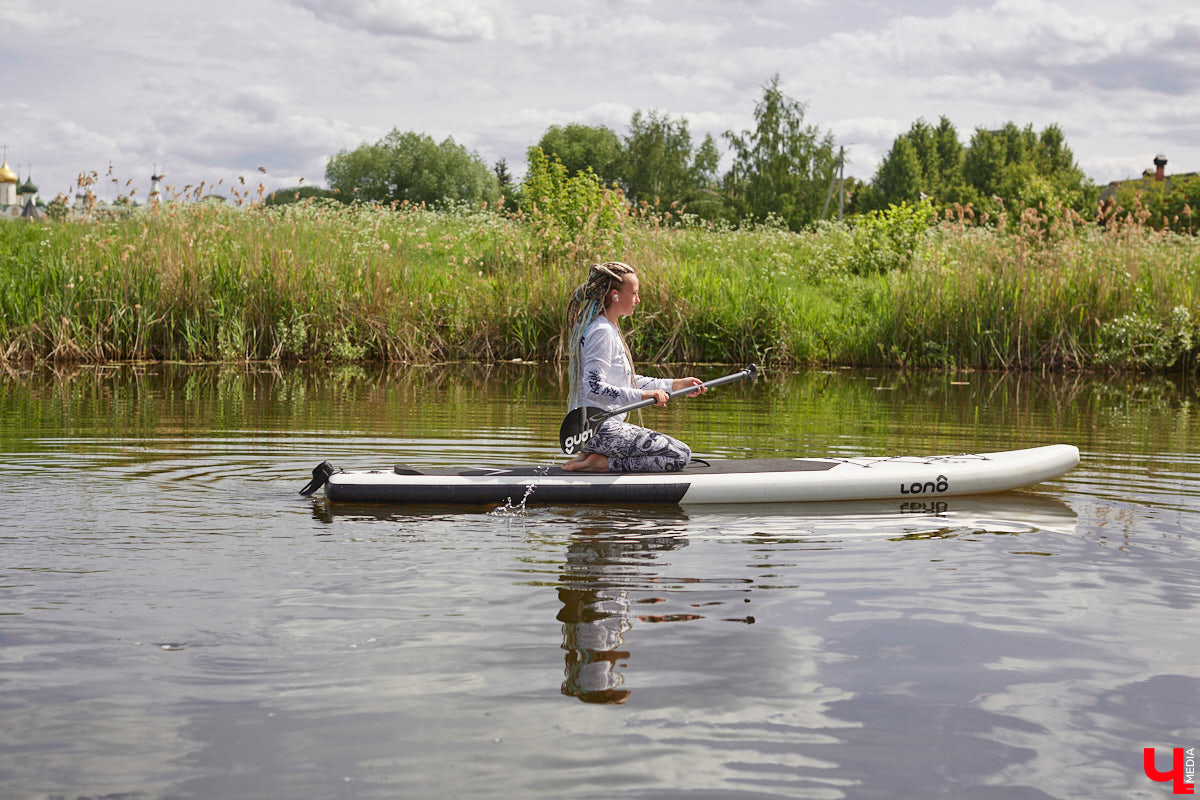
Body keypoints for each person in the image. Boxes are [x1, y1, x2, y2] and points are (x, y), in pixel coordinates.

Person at [562, 261, 705, 473]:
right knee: (679, 455)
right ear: (615, 295)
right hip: (597, 429)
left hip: (594, 429)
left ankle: (594, 455)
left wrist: (675, 385)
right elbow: (594, 387)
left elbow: (625, 381)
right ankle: (602, 463)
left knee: (679, 451)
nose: (638, 300)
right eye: (634, 293)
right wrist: (644, 395)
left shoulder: (606, 328)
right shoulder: (602, 332)